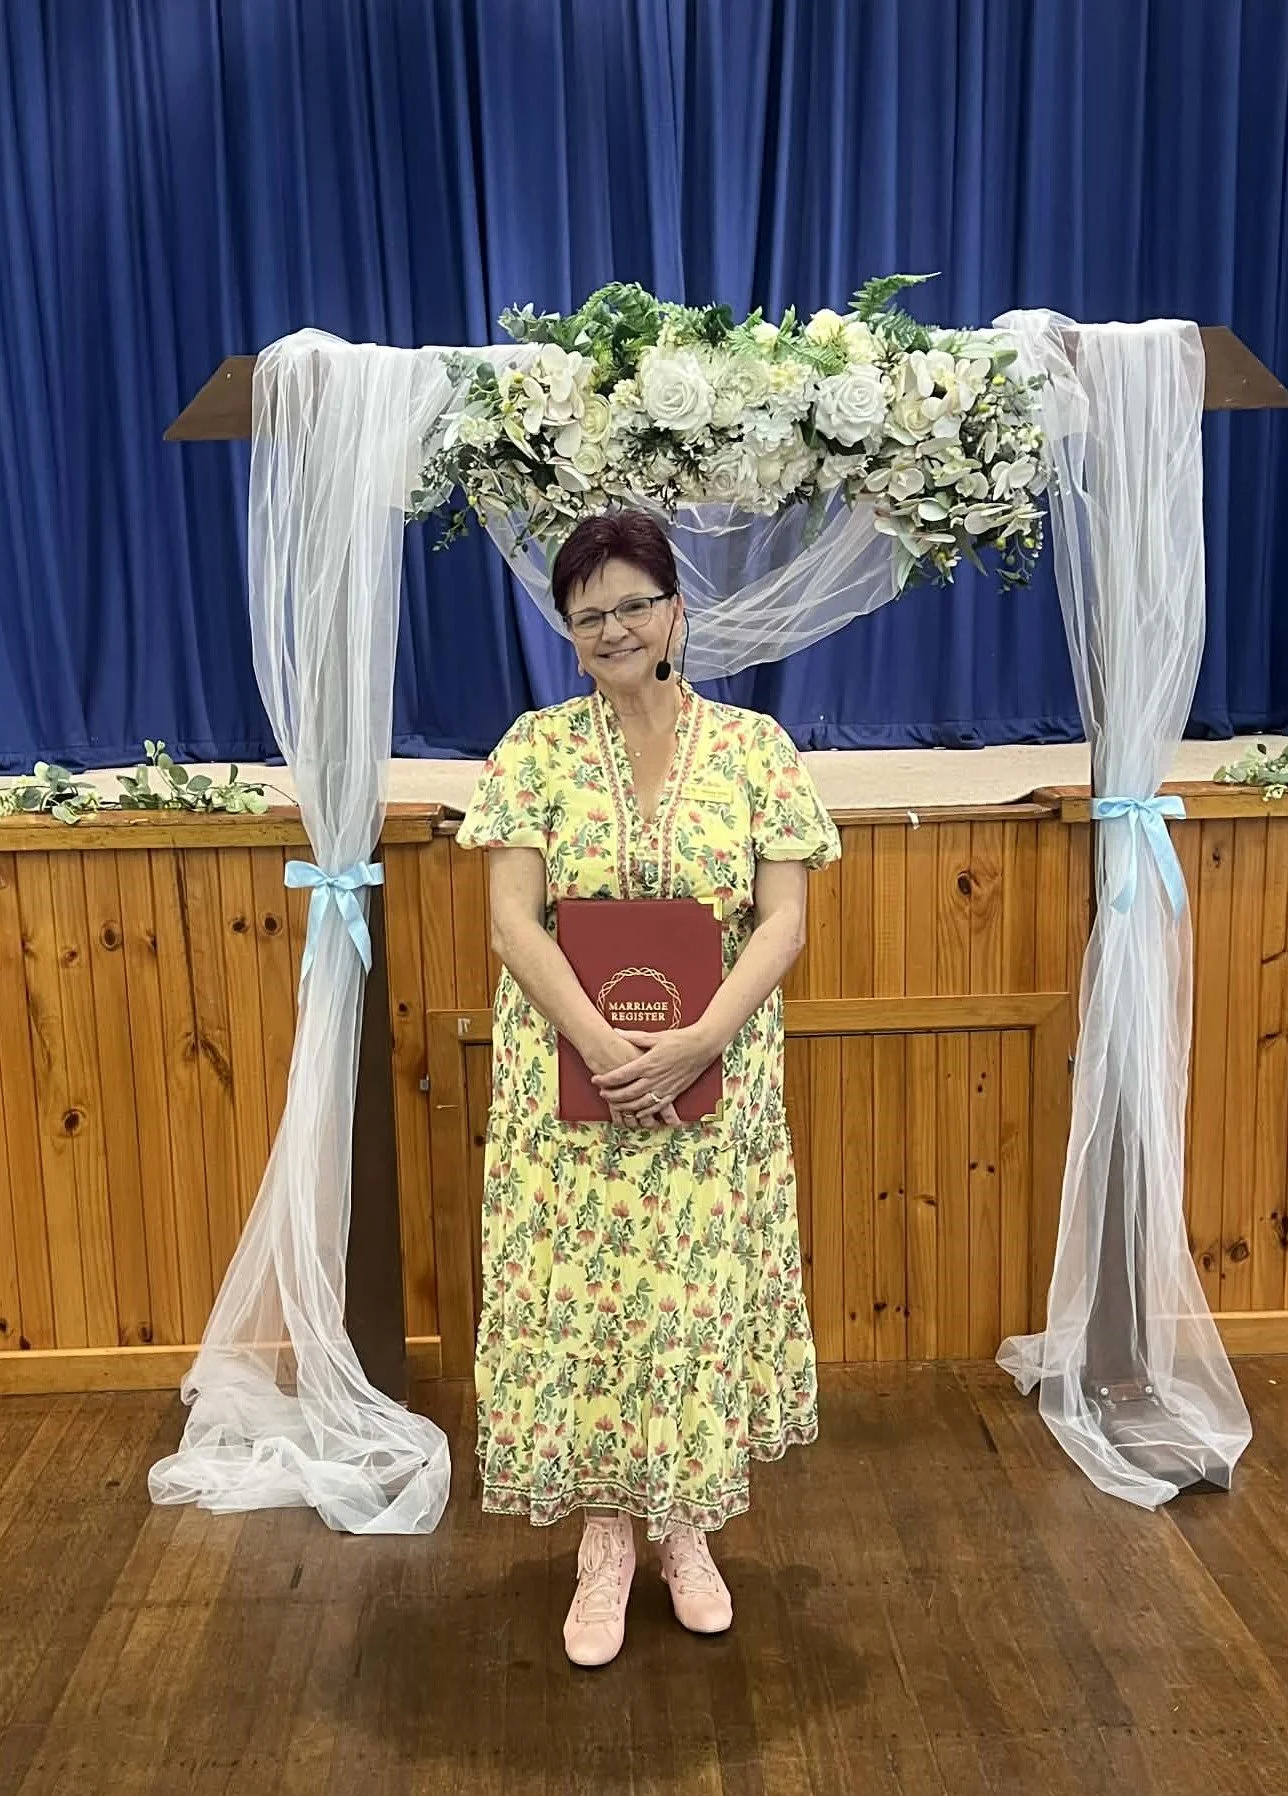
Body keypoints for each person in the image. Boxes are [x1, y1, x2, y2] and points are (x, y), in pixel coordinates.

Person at [455, 509, 840, 1667]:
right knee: (590, 1308)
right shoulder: (533, 749)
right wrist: (604, 1049)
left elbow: (781, 920)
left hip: (711, 1091)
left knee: (684, 1306)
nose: (612, 627)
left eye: (633, 603)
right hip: (570, 1094)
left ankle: (683, 1528)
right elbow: (512, 920)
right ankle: (603, 1538)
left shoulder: (755, 749)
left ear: (675, 611)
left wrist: (696, 1041)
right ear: (567, 630)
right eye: (588, 613)